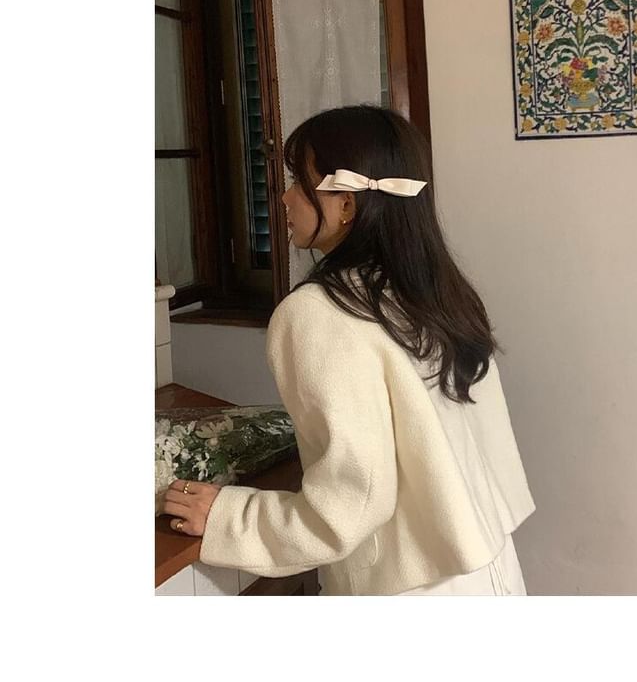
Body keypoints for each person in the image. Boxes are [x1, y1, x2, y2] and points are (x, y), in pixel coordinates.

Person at [162, 105, 536, 595]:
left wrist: (230, 518)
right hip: (491, 570)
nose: (284, 197)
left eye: (299, 182)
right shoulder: (439, 292)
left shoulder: (319, 313)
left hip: (407, 589)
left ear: (346, 205)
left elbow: (353, 499)